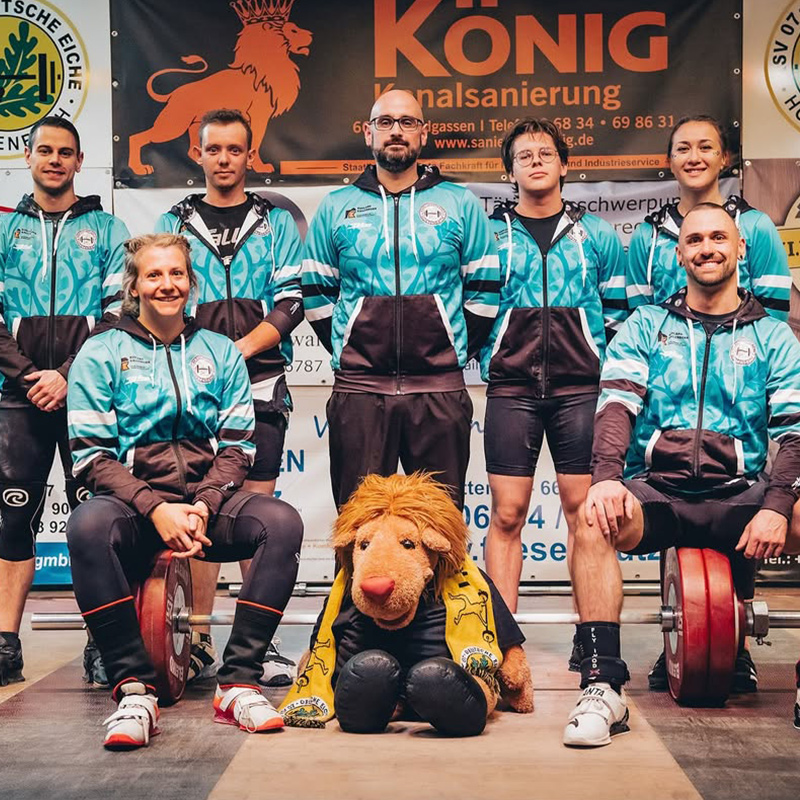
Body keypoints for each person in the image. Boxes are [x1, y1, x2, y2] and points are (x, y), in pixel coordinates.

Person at [563, 203, 800, 747]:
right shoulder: (648, 325)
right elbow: (616, 406)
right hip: (661, 493)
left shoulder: (774, 335)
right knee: (591, 519)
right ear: (679, 254)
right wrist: (606, 478)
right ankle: (602, 686)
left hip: (739, 497)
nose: (707, 248)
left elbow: (794, 431)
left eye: (718, 237)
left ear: (740, 248)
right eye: (695, 240)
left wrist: (776, 507)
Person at [65, 233, 304, 750]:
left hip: (203, 503)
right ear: (134, 287)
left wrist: (203, 504)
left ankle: (238, 683)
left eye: (176, 273)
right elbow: (91, 456)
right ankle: (134, 691)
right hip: (134, 506)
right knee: (86, 526)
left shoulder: (219, 351)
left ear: (191, 282)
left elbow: (238, 446)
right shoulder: (100, 351)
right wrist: (155, 509)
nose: (167, 284)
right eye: (153, 274)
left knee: (281, 522)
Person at [627, 115, 792, 692]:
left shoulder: (758, 227)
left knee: (739, 503)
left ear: (726, 159)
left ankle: (731, 643)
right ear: (668, 161)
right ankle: (687, 639)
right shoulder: (648, 234)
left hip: (736, 385)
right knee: (671, 506)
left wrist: (743, 374)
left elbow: (771, 315)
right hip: (668, 394)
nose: (694, 156)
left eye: (706, 147)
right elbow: (631, 320)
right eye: (683, 148)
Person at [155, 108, 303, 687]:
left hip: (259, 383)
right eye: (213, 149)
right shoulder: (173, 220)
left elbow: (290, 303)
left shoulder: (276, 221)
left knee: (256, 515)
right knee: (197, 505)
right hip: (192, 387)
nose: (223, 159)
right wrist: (208, 361)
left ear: (249, 155)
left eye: (234, 150)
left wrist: (235, 352)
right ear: (198, 154)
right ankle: (195, 640)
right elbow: (161, 299)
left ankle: (258, 644)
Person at [302, 89, 499, 510]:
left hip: (439, 390)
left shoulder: (459, 203)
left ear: (423, 134)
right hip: (360, 390)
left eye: (407, 122)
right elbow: (316, 291)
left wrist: (448, 347)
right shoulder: (336, 206)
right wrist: (352, 344)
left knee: (440, 526)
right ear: (368, 133)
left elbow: (484, 289)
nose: (396, 131)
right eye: (386, 122)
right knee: (358, 524)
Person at [0, 117, 129, 688]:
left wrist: (68, 375)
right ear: (27, 158)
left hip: (90, 395)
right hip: (17, 396)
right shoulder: (4, 230)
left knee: (94, 521)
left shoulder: (108, 228)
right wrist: (32, 377)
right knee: (12, 518)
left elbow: (118, 314)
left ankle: (104, 643)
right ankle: (5, 645)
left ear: (80, 162)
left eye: (65, 152)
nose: (55, 160)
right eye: (45, 150)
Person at [479, 119, 627, 616]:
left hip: (581, 391)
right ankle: (501, 641)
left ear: (564, 165)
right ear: (510, 172)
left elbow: (619, 317)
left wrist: (600, 366)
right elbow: (473, 308)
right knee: (506, 514)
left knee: (585, 514)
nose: (536, 161)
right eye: (524, 156)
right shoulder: (489, 236)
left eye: (545, 153)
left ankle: (592, 638)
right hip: (511, 389)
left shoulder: (597, 234)